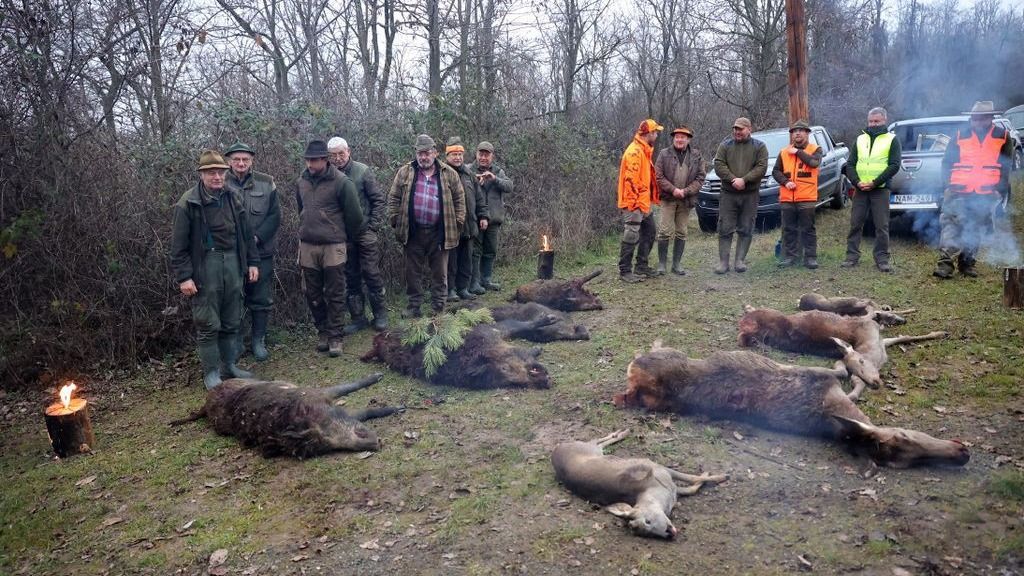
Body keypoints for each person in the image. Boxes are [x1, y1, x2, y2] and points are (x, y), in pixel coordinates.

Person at [170, 150, 259, 389]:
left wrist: (252, 262)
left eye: (220, 172)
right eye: (211, 173)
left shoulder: (234, 197)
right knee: (208, 323)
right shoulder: (188, 203)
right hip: (205, 267)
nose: (217, 177)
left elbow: (247, 234)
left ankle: (228, 366)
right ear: (202, 175)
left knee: (232, 319)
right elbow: (178, 246)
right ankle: (211, 373)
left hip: (233, 263)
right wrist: (184, 277)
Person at [296, 139, 365, 357]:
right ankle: (323, 332)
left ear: (325, 160)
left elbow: (355, 216)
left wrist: (343, 237)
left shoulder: (342, 182)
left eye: (314, 160)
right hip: (308, 244)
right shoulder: (302, 181)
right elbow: (302, 208)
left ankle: (336, 336)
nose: (310, 164)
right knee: (311, 292)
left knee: (335, 292)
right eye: (307, 160)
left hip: (334, 244)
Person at [932, 101, 1015, 279]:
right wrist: (947, 185)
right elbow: (947, 163)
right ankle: (945, 265)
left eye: (980, 118)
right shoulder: (959, 135)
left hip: (985, 192)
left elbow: (1006, 166)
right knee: (951, 227)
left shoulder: (1003, 136)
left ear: (989, 118)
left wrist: (1000, 190)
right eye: (973, 118)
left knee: (976, 228)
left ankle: (967, 263)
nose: (975, 121)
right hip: (958, 190)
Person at [387, 134, 466, 317]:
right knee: (412, 272)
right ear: (416, 153)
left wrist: (458, 222)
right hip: (413, 232)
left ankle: (438, 308)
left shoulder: (449, 173)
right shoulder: (405, 172)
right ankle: (414, 306)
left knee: (439, 273)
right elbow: (393, 198)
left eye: (427, 153)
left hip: (439, 232)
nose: (423, 157)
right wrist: (394, 219)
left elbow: (459, 200)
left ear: (435, 153)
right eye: (420, 153)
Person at [223, 142, 280, 361]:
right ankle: (236, 342)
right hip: (230, 254)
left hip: (261, 251)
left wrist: (256, 238)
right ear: (229, 161)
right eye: (236, 159)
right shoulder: (220, 182)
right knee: (233, 298)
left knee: (261, 298)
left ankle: (258, 341)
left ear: (251, 161)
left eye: (245, 159)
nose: (241, 163)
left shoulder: (267, 182)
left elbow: (275, 216)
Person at [326, 137, 389, 334]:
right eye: (333, 155)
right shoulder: (327, 174)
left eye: (341, 154)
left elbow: (378, 199)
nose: (337, 158)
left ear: (349, 151)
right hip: (341, 235)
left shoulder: (362, 171)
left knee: (371, 273)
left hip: (365, 233)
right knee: (350, 276)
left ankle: (380, 314)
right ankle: (358, 318)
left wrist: (373, 227)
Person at [842, 107, 902, 273]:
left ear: (884, 121)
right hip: (860, 188)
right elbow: (850, 164)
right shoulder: (860, 139)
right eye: (871, 121)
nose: (873, 124)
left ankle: (882, 259)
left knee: (881, 226)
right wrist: (856, 181)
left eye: (877, 121)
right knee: (855, 223)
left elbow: (894, 165)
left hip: (880, 189)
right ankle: (851, 256)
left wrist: (875, 183)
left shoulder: (892, 140)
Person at [712, 117, 768, 273]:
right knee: (725, 227)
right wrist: (732, 179)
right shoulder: (725, 146)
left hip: (750, 194)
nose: (737, 131)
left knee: (746, 226)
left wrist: (745, 180)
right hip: (728, 194)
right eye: (735, 129)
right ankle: (723, 263)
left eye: (740, 129)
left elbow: (762, 167)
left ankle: (739, 261)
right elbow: (718, 164)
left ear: (749, 129)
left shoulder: (760, 147)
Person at [654, 125, 705, 275]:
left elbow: (701, 177)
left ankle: (676, 265)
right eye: (677, 136)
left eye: (683, 137)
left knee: (682, 232)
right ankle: (662, 265)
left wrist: (686, 191)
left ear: (688, 139)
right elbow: (658, 176)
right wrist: (673, 190)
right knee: (664, 231)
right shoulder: (664, 154)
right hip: (668, 198)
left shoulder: (697, 155)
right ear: (673, 138)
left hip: (686, 200)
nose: (679, 139)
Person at [772, 120, 824, 269]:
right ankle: (790, 257)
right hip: (788, 197)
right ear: (792, 135)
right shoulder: (783, 152)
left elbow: (814, 163)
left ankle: (810, 258)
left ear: (807, 133)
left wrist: (798, 152)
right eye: (795, 131)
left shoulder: (815, 149)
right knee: (789, 229)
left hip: (807, 197)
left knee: (808, 228)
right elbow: (776, 171)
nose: (798, 133)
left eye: (801, 131)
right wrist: (785, 181)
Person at [617, 119, 664, 283]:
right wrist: (635, 205)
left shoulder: (644, 150)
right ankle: (625, 271)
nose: (657, 135)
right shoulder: (635, 152)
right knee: (631, 234)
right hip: (634, 202)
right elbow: (630, 181)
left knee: (650, 231)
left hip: (643, 202)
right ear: (649, 134)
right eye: (655, 132)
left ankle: (641, 266)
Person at [444, 137, 489, 301]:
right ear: (447, 156)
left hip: (470, 225)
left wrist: (483, 216)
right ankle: (450, 290)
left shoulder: (469, 174)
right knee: (451, 261)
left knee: (466, 260)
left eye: (460, 154)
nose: (457, 157)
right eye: (454, 154)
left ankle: (463, 288)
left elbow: (479, 198)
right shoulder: (443, 173)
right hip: (451, 228)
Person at [469, 141, 513, 292]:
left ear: (492, 156)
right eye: (481, 154)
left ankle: (486, 280)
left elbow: (509, 186)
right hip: (475, 218)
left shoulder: (498, 171)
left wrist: (494, 179)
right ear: (476, 155)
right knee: (474, 251)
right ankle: (474, 283)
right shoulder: (469, 170)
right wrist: (475, 180)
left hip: (493, 220)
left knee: (490, 250)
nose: (483, 157)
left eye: (486, 155)